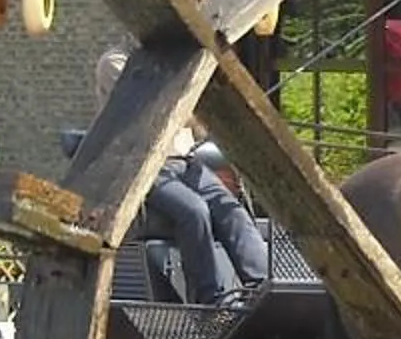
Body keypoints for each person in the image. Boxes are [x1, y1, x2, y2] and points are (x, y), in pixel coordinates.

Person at [93, 46, 269, 306]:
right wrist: (193, 98)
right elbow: (151, 107)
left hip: (186, 162)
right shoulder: (115, 63)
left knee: (232, 210)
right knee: (194, 211)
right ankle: (211, 301)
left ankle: (262, 288)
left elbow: (196, 123)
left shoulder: (180, 60)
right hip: (142, 166)